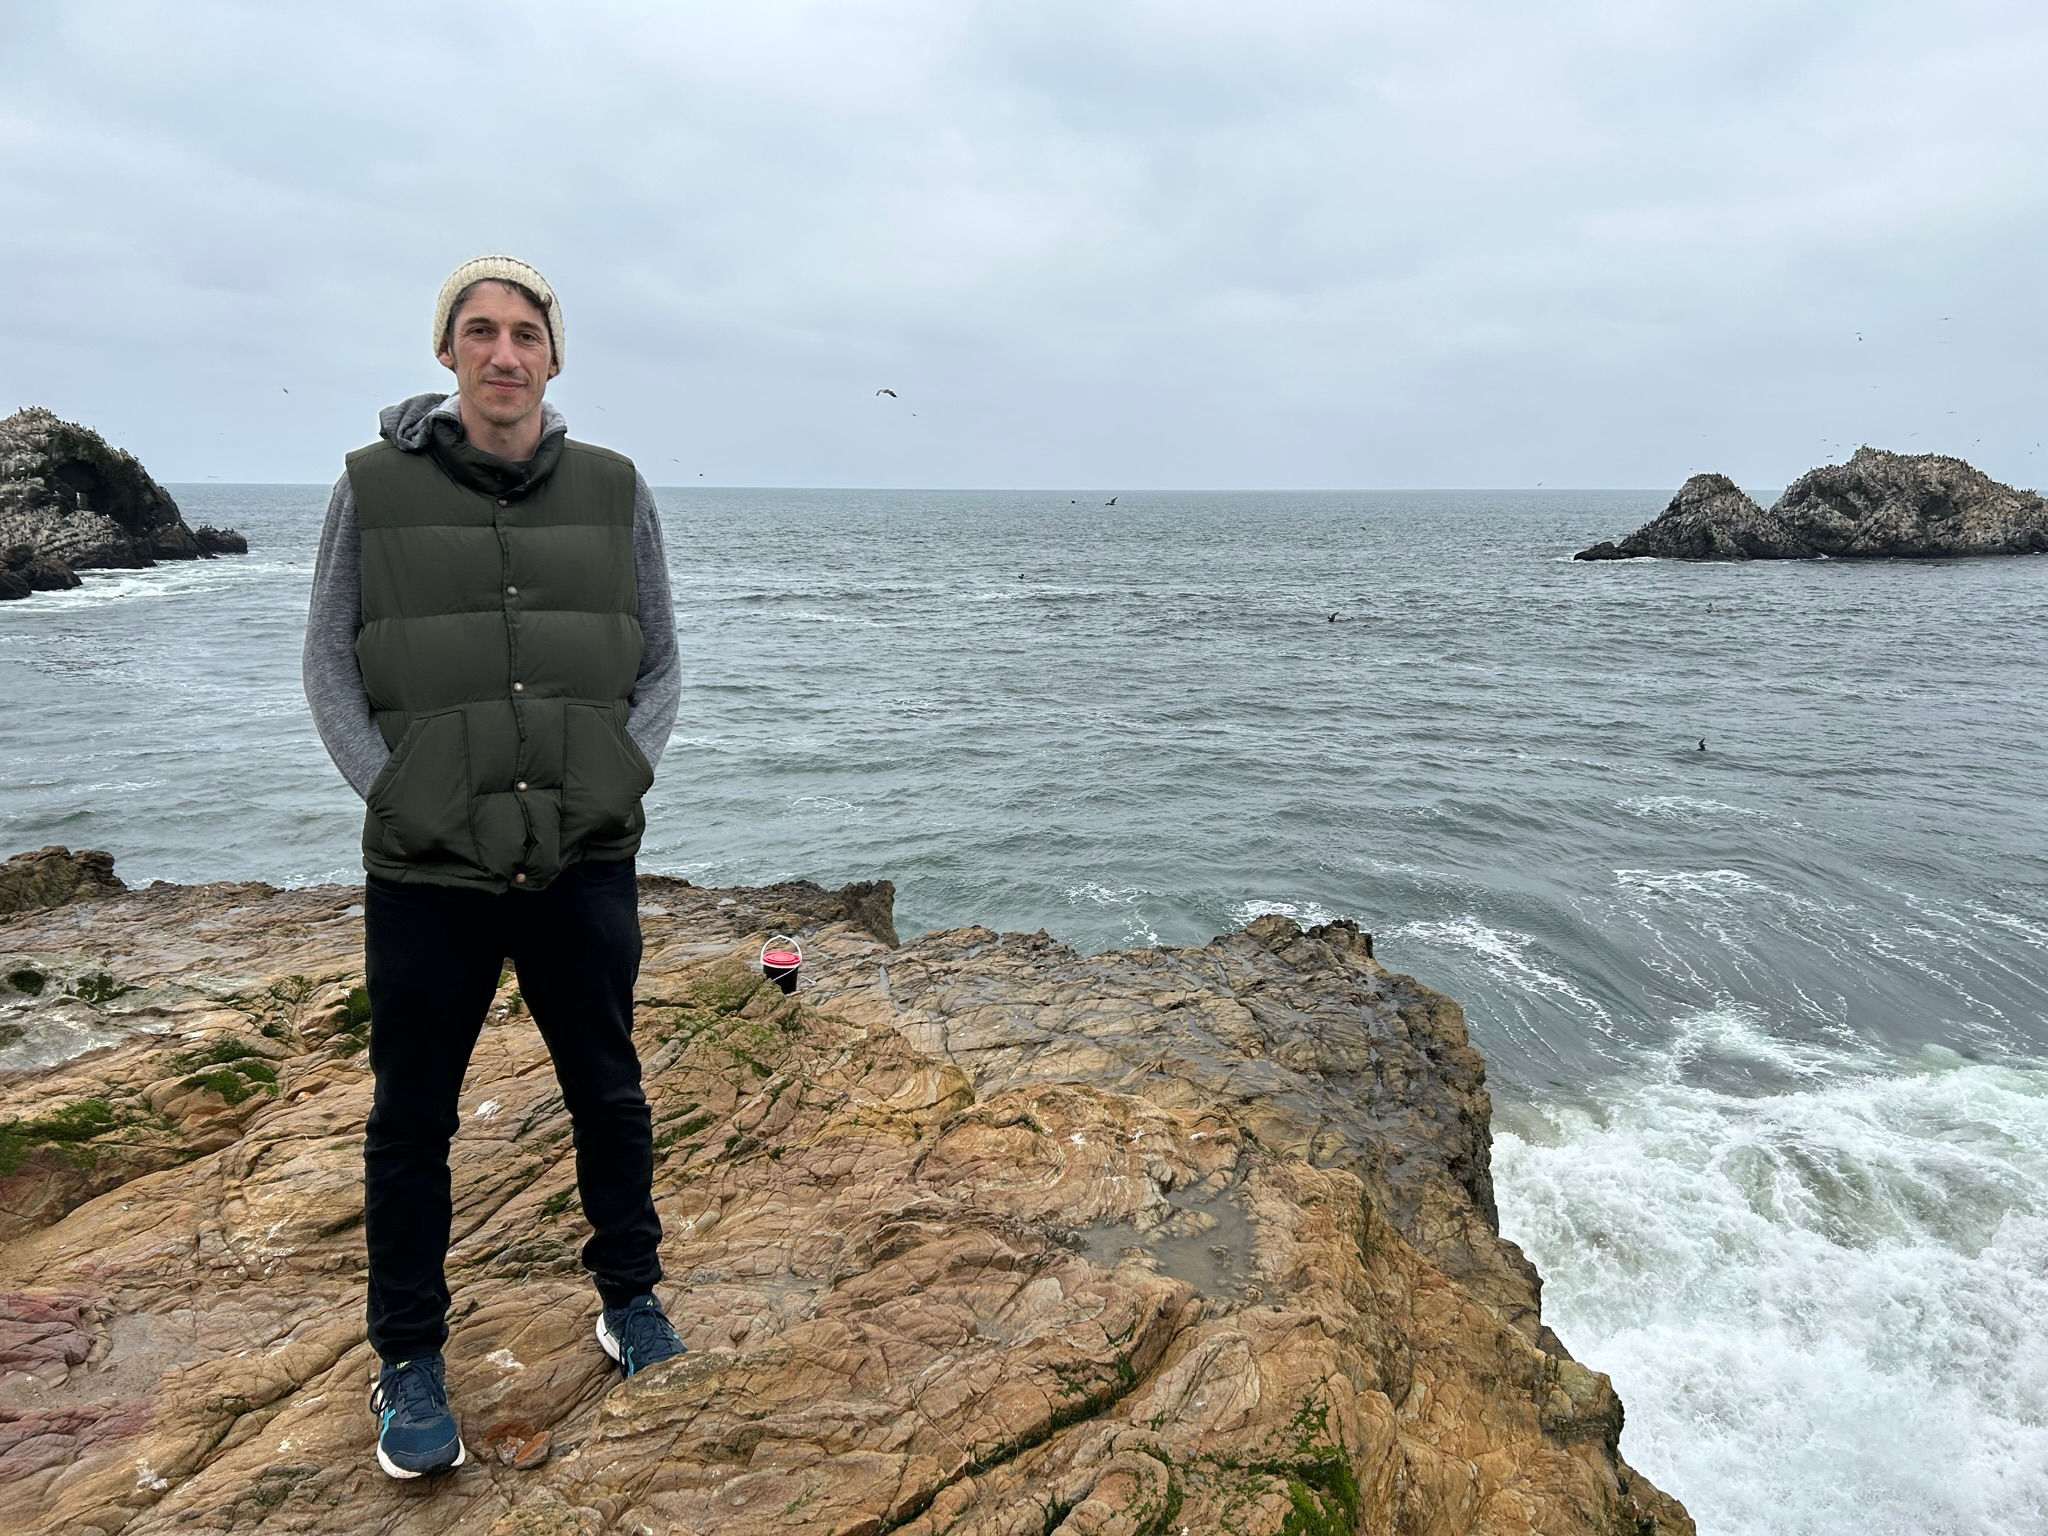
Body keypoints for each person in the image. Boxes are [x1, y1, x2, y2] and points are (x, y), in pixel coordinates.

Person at [302, 256, 685, 1479]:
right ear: (448, 352)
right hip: (427, 869)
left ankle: (628, 1296)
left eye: (525, 333)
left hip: (580, 858)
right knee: (411, 1119)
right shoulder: (371, 488)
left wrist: (616, 779)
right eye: (480, 331)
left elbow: (661, 662)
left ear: (553, 358)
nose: (503, 353)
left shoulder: (616, 488)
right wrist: (399, 794)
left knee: (608, 1094)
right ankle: (407, 1358)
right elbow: (327, 666)